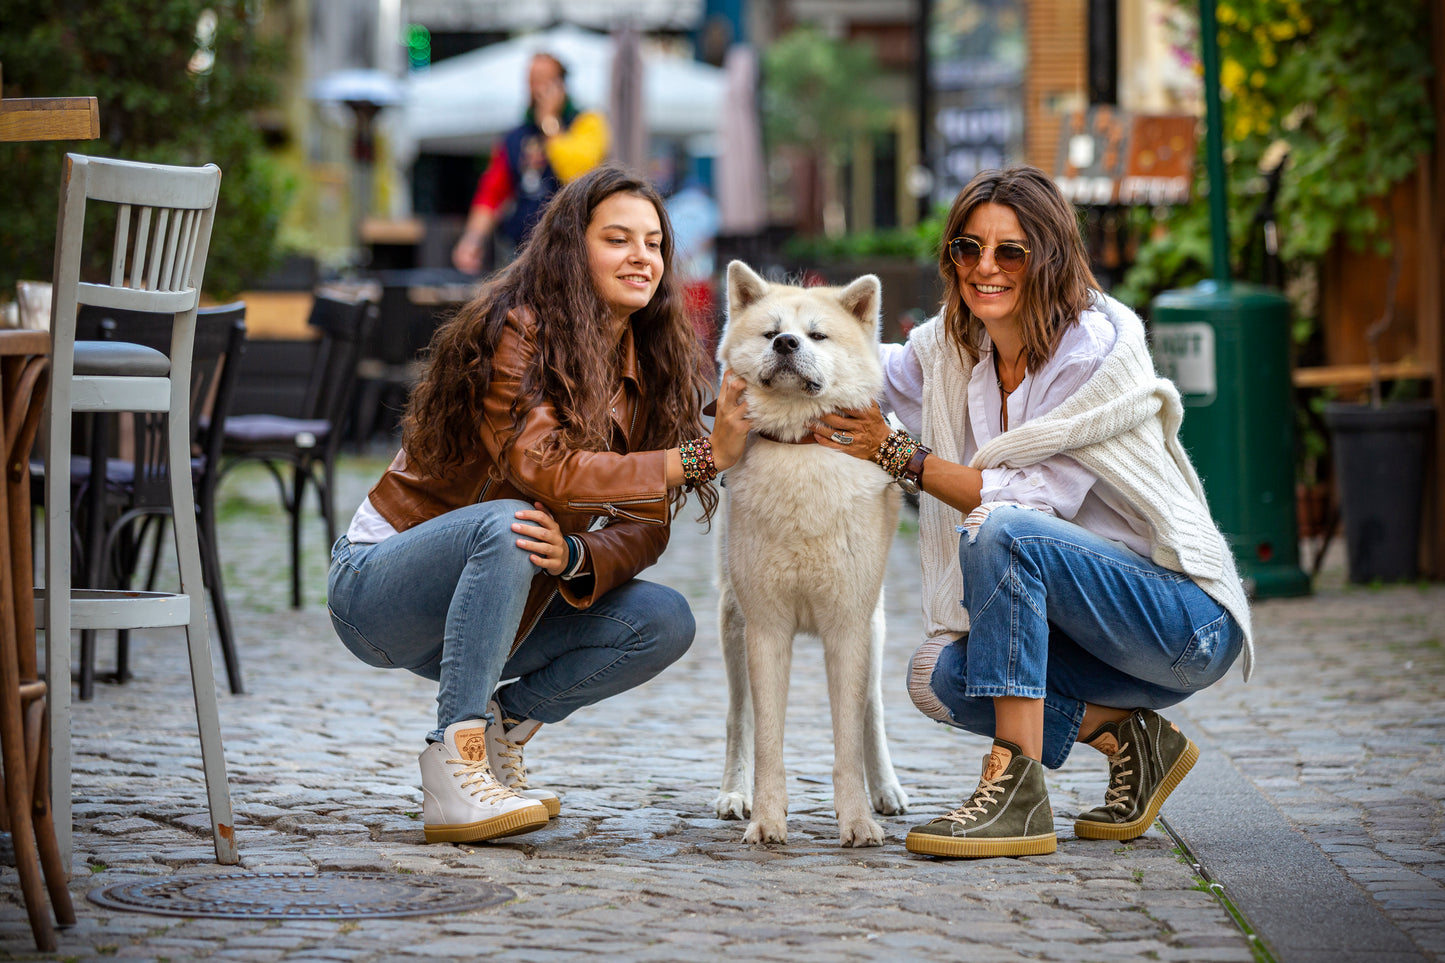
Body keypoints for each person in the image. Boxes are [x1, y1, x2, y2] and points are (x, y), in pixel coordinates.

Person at [813, 165, 1252, 859]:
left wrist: (900, 456)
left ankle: (1014, 796)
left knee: (1004, 529)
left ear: (1046, 257)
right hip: (1096, 639)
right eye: (967, 248)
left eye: (1008, 251)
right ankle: (1133, 738)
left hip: (1181, 622)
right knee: (940, 676)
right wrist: (783, 357)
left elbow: (1022, 501)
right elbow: (865, 371)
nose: (983, 267)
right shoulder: (952, 347)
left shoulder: (1095, 351)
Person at [330, 164, 751, 845]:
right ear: (572, 247)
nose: (641, 256)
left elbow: (644, 525)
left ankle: (503, 725)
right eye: (617, 238)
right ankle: (452, 766)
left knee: (663, 618)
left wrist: (579, 554)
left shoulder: (651, 365)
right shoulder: (519, 330)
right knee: (507, 524)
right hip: (381, 589)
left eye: (653, 242)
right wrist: (701, 457)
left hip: (496, 610)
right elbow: (540, 466)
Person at [451, 52, 611, 274]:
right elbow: (492, 192)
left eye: (545, 79)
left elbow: (578, 174)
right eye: (532, 80)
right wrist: (472, 240)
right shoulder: (516, 136)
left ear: (561, 84)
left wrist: (549, 122)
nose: (537, 88)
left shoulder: (587, 123)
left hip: (570, 250)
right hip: (521, 249)